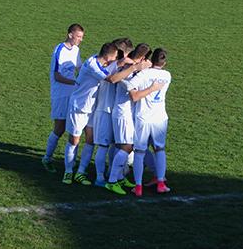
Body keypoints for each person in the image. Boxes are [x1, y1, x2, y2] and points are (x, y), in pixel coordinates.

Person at [62, 42, 146, 185]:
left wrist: (126, 63)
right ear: (109, 56)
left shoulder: (102, 60)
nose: (116, 59)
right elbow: (112, 79)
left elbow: (117, 65)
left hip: (93, 107)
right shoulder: (93, 65)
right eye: (115, 56)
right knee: (74, 140)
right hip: (80, 106)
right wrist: (134, 67)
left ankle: (81, 172)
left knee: (90, 140)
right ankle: (68, 171)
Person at [128, 48, 172, 196]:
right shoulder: (167, 75)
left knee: (139, 152)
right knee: (159, 149)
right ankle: (160, 183)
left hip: (143, 118)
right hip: (160, 118)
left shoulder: (144, 74)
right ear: (164, 62)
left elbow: (130, 88)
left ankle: (138, 187)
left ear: (151, 60)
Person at [92, 38, 134, 186]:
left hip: (113, 110)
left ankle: (115, 175)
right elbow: (114, 79)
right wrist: (133, 67)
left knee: (116, 145)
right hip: (104, 109)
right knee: (103, 146)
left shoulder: (116, 64)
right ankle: (99, 178)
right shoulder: (110, 66)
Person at [42, 24, 84, 172]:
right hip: (60, 95)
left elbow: (80, 68)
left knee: (75, 129)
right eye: (78, 36)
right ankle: (47, 158)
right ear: (70, 34)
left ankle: (71, 162)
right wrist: (76, 82)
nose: (80, 40)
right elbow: (57, 76)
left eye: (81, 37)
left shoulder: (76, 50)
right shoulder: (59, 50)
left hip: (73, 94)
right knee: (59, 128)